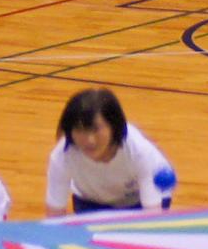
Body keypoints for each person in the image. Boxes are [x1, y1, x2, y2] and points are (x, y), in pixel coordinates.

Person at [44, 87, 175, 216]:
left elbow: (152, 216)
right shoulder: (62, 155)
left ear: (114, 126)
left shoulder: (141, 153)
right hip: (90, 201)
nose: (90, 140)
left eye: (96, 130)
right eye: (80, 130)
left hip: (139, 202)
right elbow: (55, 216)